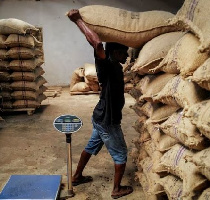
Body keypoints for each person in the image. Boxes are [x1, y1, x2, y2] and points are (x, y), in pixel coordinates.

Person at [67, 9, 134, 199]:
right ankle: (116, 189)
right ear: (114, 51)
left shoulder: (116, 66)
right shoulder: (105, 63)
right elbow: (96, 43)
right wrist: (78, 20)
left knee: (90, 147)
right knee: (121, 153)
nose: (127, 56)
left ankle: (77, 175)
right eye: (124, 52)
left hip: (99, 116)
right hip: (108, 120)